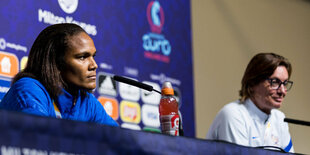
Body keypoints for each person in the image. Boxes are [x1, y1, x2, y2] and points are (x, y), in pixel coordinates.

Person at [0, 23, 118, 127]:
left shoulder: (87, 102)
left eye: (93, 56)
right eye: (82, 57)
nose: (94, 65)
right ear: (56, 62)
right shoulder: (29, 88)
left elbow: (121, 141)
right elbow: (40, 139)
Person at [206, 53, 294, 152]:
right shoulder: (233, 114)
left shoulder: (279, 119)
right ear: (253, 83)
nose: (282, 91)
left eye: (285, 84)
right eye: (275, 82)